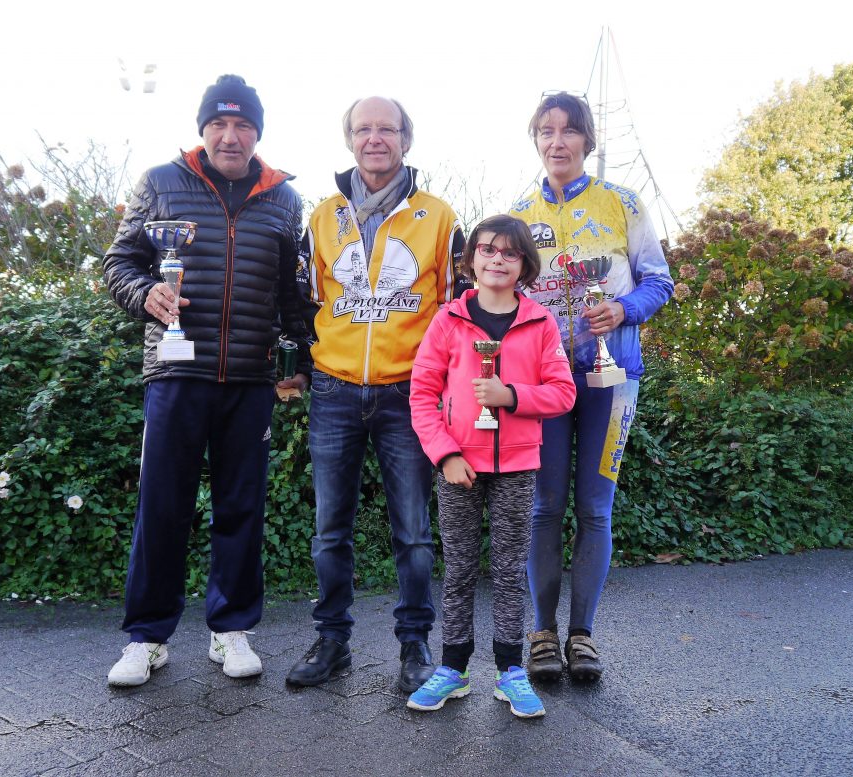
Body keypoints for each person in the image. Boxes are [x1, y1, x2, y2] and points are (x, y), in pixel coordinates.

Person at [102, 74, 311, 687]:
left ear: (257, 133)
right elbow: (119, 264)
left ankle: (231, 629)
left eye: (243, 124)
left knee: (241, 506)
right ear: (202, 129)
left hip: (249, 378)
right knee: (161, 504)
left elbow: (291, 294)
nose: (230, 135)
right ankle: (146, 637)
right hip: (174, 372)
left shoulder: (283, 200)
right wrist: (147, 294)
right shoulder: (160, 182)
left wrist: (296, 365)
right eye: (219, 124)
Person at [285, 96, 468, 692]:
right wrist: (292, 365)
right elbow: (307, 302)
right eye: (362, 129)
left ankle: (414, 644)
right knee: (329, 529)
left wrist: (446, 386)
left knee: (413, 531)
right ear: (349, 140)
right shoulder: (322, 216)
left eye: (386, 129)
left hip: (408, 394)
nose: (374, 139)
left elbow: (454, 311)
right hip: (335, 390)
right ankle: (332, 640)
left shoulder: (439, 217)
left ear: (405, 140)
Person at [510, 92, 673, 682]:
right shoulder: (520, 212)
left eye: (568, 131)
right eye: (545, 131)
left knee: (594, 509)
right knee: (544, 507)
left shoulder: (622, 204)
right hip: (542, 381)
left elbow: (660, 281)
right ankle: (542, 634)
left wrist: (622, 310)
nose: (557, 141)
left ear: (587, 140)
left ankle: (583, 636)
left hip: (613, 375)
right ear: (536, 141)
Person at [406, 215, 576, 718]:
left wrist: (511, 396)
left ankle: (510, 671)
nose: (497, 259)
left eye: (509, 252)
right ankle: (453, 669)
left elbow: (563, 393)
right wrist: (446, 454)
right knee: (458, 569)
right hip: (458, 466)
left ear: (524, 263)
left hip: (518, 467)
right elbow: (421, 394)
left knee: (507, 570)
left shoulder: (542, 323)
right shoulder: (449, 320)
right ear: (471, 259)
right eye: (487, 250)